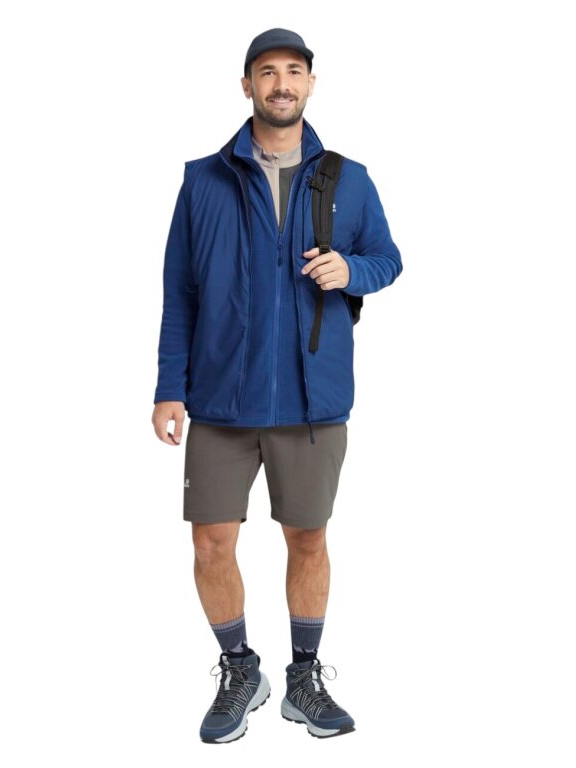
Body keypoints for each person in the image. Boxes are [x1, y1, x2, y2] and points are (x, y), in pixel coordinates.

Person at [151, 28, 402, 743]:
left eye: (294, 71)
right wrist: (170, 387)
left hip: (311, 398)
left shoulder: (348, 179)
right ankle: (240, 669)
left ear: (310, 84)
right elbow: (180, 292)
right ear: (247, 85)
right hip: (220, 399)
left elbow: (388, 259)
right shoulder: (204, 180)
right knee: (210, 543)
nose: (281, 83)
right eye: (267, 72)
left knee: (309, 539)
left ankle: (304, 677)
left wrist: (352, 271)